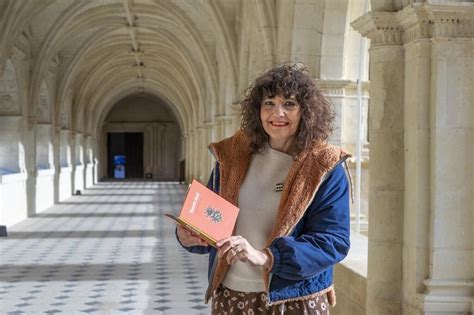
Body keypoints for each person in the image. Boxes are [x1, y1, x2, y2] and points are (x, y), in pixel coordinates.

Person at [176, 64, 351, 314]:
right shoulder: (233, 156)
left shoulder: (324, 166)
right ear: (258, 109)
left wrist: (268, 257)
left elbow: (333, 242)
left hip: (293, 300)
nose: (277, 113)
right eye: (269, 103)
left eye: (289, 104)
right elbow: (209, 219)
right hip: (231, 294)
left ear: (306, 111)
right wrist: (188, 236)